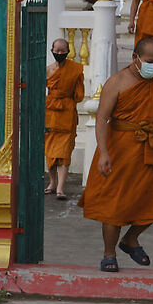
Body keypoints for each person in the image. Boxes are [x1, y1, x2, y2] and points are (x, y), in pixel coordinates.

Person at [77, 34, 153, 271]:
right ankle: (109, 253)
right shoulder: (118, 81)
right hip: (120, 148)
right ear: (135, 58)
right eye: (149, 61)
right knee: (114, 204)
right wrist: (103, 152)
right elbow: (102, 117)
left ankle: (131, 239)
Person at [44, 36, 84, 200]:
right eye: (57, 50)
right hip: (50, 115)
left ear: (68, 51)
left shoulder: (75, 70)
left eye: (63, 51)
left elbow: (79, 95)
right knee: (50, 153)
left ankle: (60, 188)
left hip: (66, 115)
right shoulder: (47, 70)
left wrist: (65, 97)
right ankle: (53, 183)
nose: (59, 53)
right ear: (52, 51)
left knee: (64, 154)